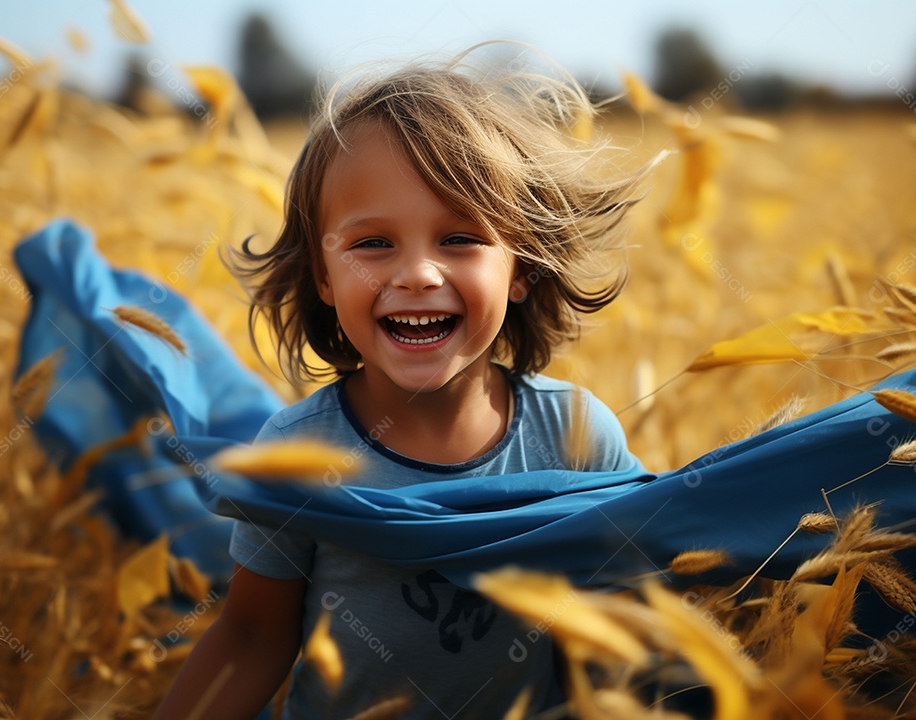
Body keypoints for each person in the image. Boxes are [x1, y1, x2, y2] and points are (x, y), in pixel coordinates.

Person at [153, 45, 649, 719]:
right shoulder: (301, 457)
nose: (417, 273)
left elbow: (634, 630)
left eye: (460, 239)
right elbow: (250, 635)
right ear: (324, 279)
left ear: (523, 268)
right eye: (373, 244)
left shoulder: (577, 435)